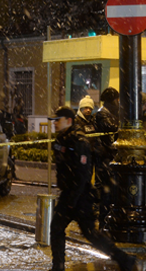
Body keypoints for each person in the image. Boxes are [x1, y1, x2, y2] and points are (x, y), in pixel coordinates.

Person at [48, 106, 138, 271]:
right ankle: (58, 266)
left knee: (91, 235)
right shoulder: (62, 138)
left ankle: (124, 259)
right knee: (57, 228)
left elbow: (84, 173)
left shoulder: (79, 141)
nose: (54, 124)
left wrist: (73, 200)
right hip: (70, 193)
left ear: (68, 121)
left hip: (80, 195)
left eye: (57, 120)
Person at [93, 87, 119, 228]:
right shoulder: (102, 114)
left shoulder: (110, 113)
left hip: (107, 156)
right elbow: (112, 128)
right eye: (116, 99)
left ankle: (106, 217)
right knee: (105, 189)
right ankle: (103, 219)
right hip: (103, 157)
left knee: (109, 189)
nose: (118, 102)